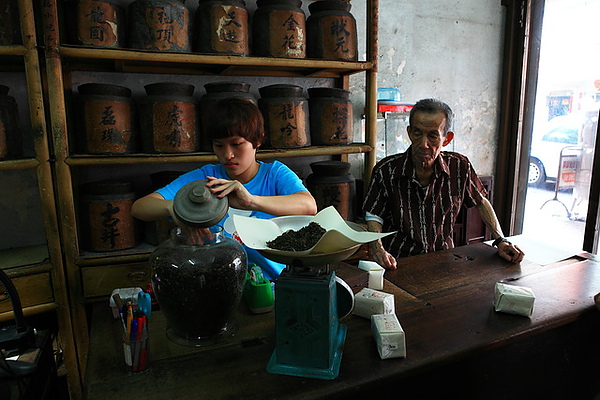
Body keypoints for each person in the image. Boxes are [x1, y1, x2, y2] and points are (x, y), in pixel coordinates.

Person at [131, 97, 317, 280]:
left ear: (258, 140)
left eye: (236, 144)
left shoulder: (274, 174)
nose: (227, 155)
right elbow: (140, 207)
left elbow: (309, 206)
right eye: (219, 145)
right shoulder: (205, 178)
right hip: (218, 282)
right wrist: (173, 208)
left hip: (274, 283)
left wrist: (251, 201)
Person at [362, 98, 524, 269]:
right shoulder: (386, 170)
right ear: (409, 133)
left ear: (446, 139)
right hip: (398, 261)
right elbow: (374, 215)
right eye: (417, 133)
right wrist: (378, 249)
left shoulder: (459, 167)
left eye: (432, 136)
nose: (424, 144)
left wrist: (501, 240)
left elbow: (481, 202)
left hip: (444, 260)